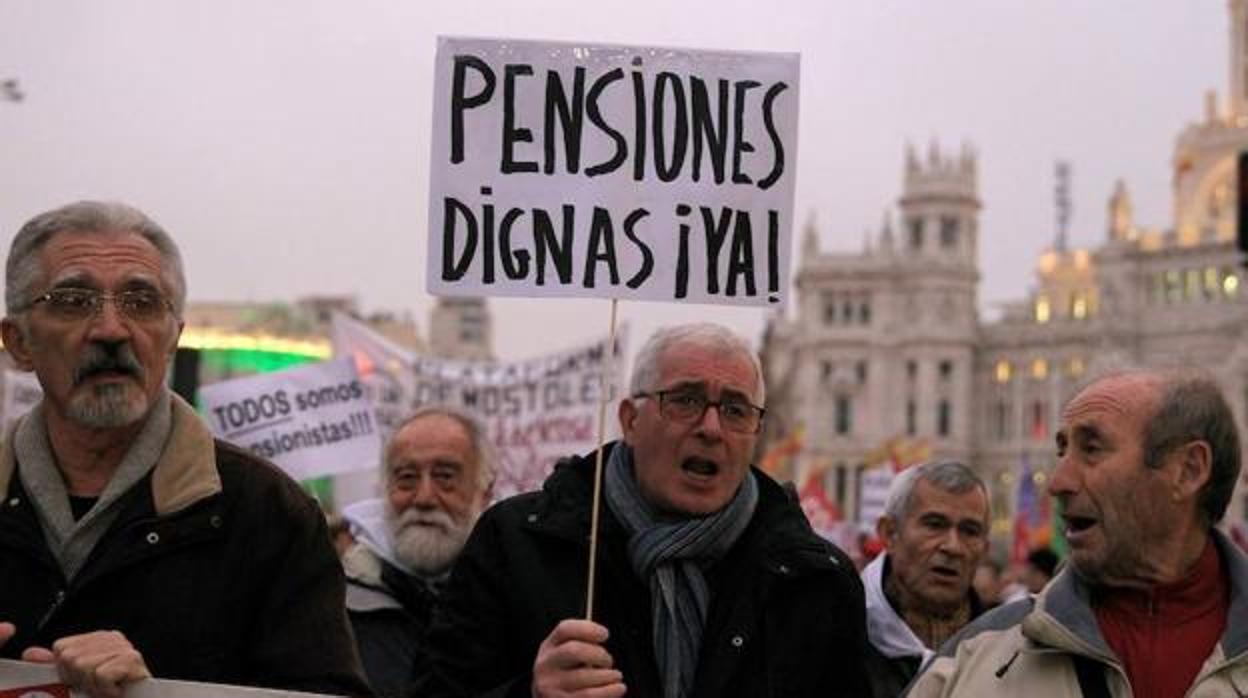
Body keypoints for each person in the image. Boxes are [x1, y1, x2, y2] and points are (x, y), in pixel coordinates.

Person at [0, 201, 370, 698]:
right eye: (72, 300)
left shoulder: (270, 514)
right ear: (18, 341)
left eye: (142, 301)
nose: (111, 330)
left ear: (174, 334)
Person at [417, 323, 871, 698]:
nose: (711, 428)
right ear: (630, 420)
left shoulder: (814, 580)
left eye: (736, 409)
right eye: (686, 400)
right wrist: (532, 694)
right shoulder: (517, 543)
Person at [906, 369, 1248, 698]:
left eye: (1092, 449)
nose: (1057, 483)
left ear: (1188, 470)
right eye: (1062, 451)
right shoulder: (970, 661)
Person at [342, 407, 494, 698]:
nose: (424, 497)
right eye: (407, 478)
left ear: (484, 490)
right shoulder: (334, 604)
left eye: (445, 476)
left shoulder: (514, 601)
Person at [860, 461, 990, 697]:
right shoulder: (835, 632)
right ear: (889, 533)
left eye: (970, 531)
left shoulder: (1009, 648)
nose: (953, 547)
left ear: (985, 548)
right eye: (935, 525)